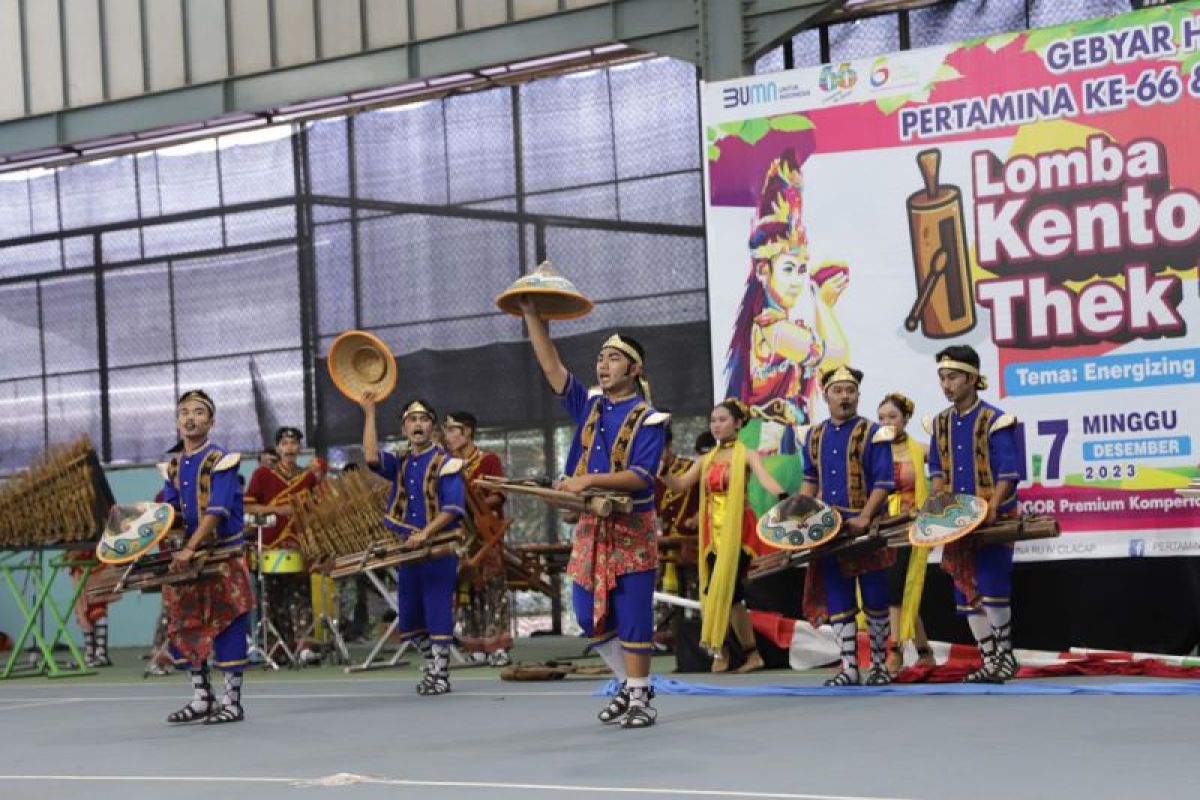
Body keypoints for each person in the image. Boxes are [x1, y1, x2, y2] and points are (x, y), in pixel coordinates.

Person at [518, 296, 667, 729]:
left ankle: (639, 698)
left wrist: (588, 481)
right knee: (587, 613)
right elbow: (551, 368)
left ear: (634, 370)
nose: (603, 365)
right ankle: (630, 684)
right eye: (600, 358)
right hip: (590, 528)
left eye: (614, 358)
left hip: (632, 529)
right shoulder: (590, 406)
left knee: (633, 615)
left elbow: (641, 476)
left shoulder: (650, 419)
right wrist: (531, 316)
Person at [724, 148, 850, 454]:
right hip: (774, 449)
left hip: (789, 443)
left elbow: (831, 376)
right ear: (764, 271)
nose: (797, 279)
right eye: (789, 269)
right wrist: (822, 302)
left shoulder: (782, 327)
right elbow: (837, 358)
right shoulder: (775, 330)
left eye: (802, 269)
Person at [663, 398, 785, 673]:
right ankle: (739, 652)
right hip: (712, 536)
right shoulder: (706, 459)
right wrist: (663, 471)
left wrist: (786, 498)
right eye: (713, 421)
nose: (716, 425)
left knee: (726, 593)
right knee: (724, 596)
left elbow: (766, 479)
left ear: (738, 423)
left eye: (722, 420)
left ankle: (728, 651)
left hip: (738, 531)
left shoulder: (747, 454)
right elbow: (681, 485)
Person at [929, 345, 1023, 683]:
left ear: (972, 378)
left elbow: (1008, 472)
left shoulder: (996, 420)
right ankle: (988, 660)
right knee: (964, 591)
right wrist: (937, 501)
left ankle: (1005, 657)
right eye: (942, 377)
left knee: (993, 586)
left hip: (992, 519)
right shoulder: (940, 423)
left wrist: (994, 507)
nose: (946, 384)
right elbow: (937, 471)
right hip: (957, 521)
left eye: (952, 377)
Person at [361, 394, 466, 695]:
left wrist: (426, 533)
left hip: (438, 548)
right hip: (408, 550)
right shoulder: (401, 461)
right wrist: (369, 412)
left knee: (436, 608)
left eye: (423, 420)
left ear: (433, 427)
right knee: (409, 616)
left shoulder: (447, 463)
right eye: (412, 420)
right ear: (404, 428)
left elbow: (452, 508)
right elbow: (370, 457)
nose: (418, 424)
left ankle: (441, 673)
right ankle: (433, 666)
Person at [162, 389, 254, 724]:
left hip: (222, 557)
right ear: (177, 421)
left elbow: (217, 511)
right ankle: (202, 698)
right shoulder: (172, 466)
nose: (190, 418)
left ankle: (232, 702)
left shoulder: (222, 460)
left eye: (198, 412)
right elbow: (169, 513)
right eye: (184, 412)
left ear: (211, 421)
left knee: (228, 624)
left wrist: (189, 548)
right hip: (188, 562)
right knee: (185, 624)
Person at [799, 365, 895, 686]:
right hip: (830, 531)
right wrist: (798, 515)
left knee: (876, 598)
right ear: (825, 395)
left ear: (858, 395)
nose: (845, 396)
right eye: (838, 391)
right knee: (839, 600)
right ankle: (849, 668)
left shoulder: (874, 433)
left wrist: (866, 517)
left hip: (866, 530)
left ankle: (880, 665)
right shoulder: (813, 435)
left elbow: (883, 482)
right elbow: (809, 482)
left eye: (850, 391)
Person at [244, 426, 323, 664]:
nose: (289, 448)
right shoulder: (262, 475)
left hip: (299, 544)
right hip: (270, 546)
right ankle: (277, 649)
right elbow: (248, 506)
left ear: (300, 448)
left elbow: (316, 509)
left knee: (301, 597)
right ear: (278, 448)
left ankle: (305, 647)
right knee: (272, 600)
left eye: (294, 443)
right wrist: (276, 509)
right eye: (285, 444)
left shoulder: (307, 477)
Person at [443, 411, 513, 667]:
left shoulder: (488, 460)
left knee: (494, 588)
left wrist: (475, 505)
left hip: (486, 533)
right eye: (447, 431)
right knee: (468, 590)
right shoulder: (448, 465)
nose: (448, 436)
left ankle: (499, 646)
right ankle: (476, 645)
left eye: (452, 430)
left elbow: (499, 493)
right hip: (460, 535)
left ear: (467, 432)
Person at [877, 393, 936, 675]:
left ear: (906, 419)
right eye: (882, 418)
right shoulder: (875, 452)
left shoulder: (922, 451)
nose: (887, 422)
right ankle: (924, 652)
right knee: (902, 592)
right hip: (884, 530)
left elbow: (942, 476)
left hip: (911, 530)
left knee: (898, 590)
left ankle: (896, 650)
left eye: (892, 417)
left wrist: (933, 510)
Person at [655, 418, 701, 600]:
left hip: (692, 543)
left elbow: (710, 498)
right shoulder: (648, 475)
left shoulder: (690, 468)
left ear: (669, 446)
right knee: (664, 599)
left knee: (693, 596)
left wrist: (698, 517)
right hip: (664, 544)